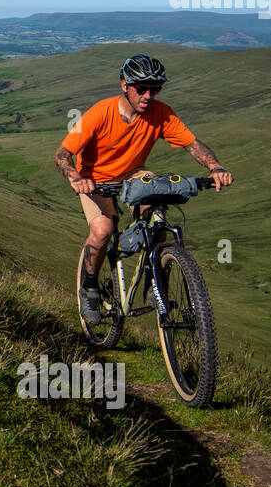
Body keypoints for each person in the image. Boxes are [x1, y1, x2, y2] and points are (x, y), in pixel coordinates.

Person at [53, 54, 233, 324]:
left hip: (134, 173)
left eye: (155, 89)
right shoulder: (100, 112)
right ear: (124, 85)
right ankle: (89, 287)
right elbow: (63, 153)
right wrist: (75, 177)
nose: (149, 95)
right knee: (103, 229)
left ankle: (153, 284)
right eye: (142, 88)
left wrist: (215, 167)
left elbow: (192, 144)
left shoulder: (161, 113)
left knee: (157, 217)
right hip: (96, 178)